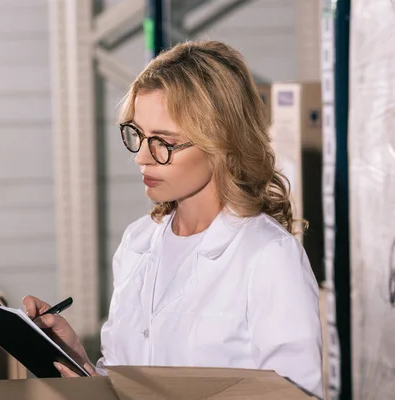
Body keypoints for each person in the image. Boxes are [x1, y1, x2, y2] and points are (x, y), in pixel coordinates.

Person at [24, 40, 323, 398]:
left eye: (164, 142)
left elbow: (299, 395)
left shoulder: (269, 257)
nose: (142, 158)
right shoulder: (137, 242)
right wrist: (79, 361)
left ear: (221, 143)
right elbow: (128, 380)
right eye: (138, 134)